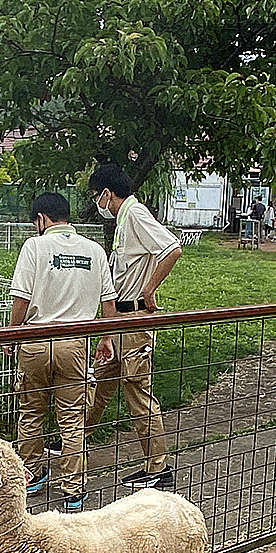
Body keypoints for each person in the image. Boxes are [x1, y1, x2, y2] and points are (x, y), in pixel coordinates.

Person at [8, 193, 117, 511]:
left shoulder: (34, 246)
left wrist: (11, 335)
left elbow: (21, 298)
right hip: (75, 343)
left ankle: (31, 477)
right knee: (72, 419)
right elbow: (108, 301)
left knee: (31, 413)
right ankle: (73, 489)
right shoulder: (94, 250)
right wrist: (106, 338)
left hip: (35, 340)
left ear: (41, 219)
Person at [86, 163, 182, 489]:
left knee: (138, 392)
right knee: (100, 379)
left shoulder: (136, 214)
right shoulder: (125, 219)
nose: (97, 204)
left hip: (134, 318)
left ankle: (157, 468)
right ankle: (74, 439)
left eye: (96, 197)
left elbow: (171, 249)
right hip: (119, 318)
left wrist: (149, 289)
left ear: (107, 193)